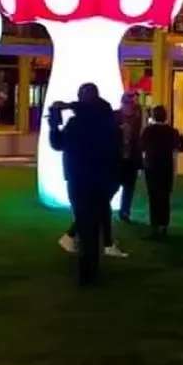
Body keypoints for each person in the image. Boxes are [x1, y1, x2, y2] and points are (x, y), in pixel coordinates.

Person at [49, 83, 120, 286]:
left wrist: (55, 125)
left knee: (84, 221)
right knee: (93, 223)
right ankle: (91, 268)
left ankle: (86, 271)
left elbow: (57, 144)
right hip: (100, 178)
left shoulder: (78, 123)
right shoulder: (106, 120)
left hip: (80, 179)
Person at [141, 106, 179, 237]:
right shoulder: (172, 131)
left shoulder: (148, 131)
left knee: (153, 196)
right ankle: (164, 224)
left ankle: (155, 224)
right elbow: (175, 151)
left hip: (151, 166)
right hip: (166, 167)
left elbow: (143, 148)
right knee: (165, 196)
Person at [116, 92, 143, 222]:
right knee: (113, 185)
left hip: (131, 157)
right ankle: (103, 208)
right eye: (129, 102)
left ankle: (125, 211)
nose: (131, 105)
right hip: (117, 157)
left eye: (132, 103)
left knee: (129, 186)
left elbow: (139, 137)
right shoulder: (115, 116)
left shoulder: (138, 118)